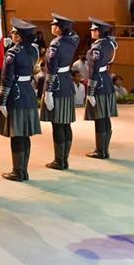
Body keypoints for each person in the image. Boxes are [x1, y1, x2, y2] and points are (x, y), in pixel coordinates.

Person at [0, 19, 42, 182]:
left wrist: (1, 100)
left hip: (15, 93)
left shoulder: (12, 53)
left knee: (17, 135)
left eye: (14, 33)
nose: (12, 35)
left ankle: (17, 171)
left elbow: (6, 79)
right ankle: (24, 170)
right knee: (25, 135)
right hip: (28, 92)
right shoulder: (35, 50)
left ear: (20, 36)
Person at [41, 13, 80, 170]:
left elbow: (51, 70)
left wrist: (48, 91)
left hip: (56, 84)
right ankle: (65, 159)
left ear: (59, 28)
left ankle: (59, 161)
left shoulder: (55, 45)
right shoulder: (72, 41)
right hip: (66, 81)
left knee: (57, 125)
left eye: (54, 25)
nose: (52, 27)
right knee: (66, 124)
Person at [83, 19, 119, 160]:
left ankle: (100, 150)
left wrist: (90, 92)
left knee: (99, 119)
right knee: (105, 118)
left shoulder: (97, 48)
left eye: (93, 30)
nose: (91, 32)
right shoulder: (110, 44)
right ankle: (104, 149)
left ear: (98, 31)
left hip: (98, 83)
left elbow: (94, 70)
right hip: (106, 80)